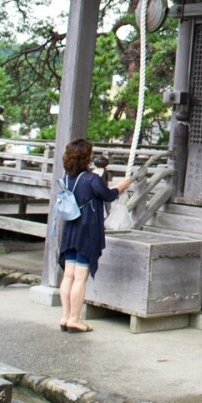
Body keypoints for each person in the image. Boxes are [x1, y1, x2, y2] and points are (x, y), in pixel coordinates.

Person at [57, 137, 132, 332]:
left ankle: (65, 316)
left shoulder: (67, 177)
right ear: (85, 157)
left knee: (68, 276)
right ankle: (75, 318)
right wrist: (123, 185)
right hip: (87, 230)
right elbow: (107, 195)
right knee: (80, 277)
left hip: (71, 229)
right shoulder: (91, 180)